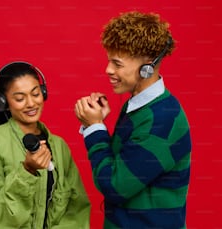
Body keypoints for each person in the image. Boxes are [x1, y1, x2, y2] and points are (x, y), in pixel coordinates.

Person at [74, 11, 192, 229]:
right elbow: (124, 164)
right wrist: (97, 123)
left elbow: (115, 186)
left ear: (148, 66)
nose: (108, 70)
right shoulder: (139, 106)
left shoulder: (161, 120)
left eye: (117, 64)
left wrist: (95, 129)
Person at [0, 61, 91, 229]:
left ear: (44, 93)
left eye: (36, 94)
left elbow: (76, 210)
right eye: (20, 98)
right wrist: (27, 172)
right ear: (3, 102)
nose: (31, 103)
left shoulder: (59, 147)